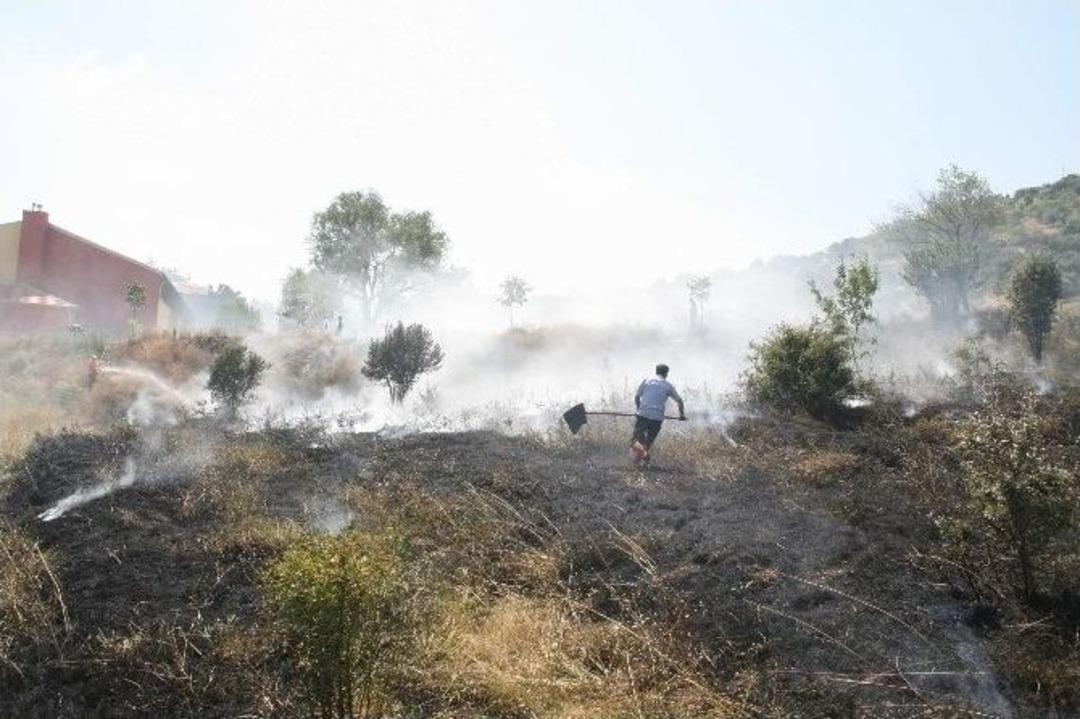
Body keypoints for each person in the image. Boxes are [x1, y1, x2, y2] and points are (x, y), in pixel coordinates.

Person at [632, 363, 685, 467]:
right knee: (648, 442)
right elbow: (679, 401)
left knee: (637, 440)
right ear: (666, 374)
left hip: (643, 415)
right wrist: (682, 415)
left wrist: (638, 409)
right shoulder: (668, 385)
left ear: (656, 371)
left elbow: (637, 397)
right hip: (657, 418)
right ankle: (640, 459)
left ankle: (640, 459)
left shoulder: (647, 380)